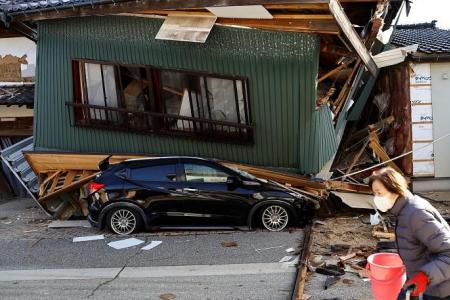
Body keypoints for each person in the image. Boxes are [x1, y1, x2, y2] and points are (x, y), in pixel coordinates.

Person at [369, 167, 450, 300]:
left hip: (439, 288)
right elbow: (414, 246)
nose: (376, 198)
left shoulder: (416, 214)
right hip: (421, 281)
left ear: (394, 189)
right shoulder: (403, 210)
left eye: (379, 193)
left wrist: (424, 276)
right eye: (374, 193)